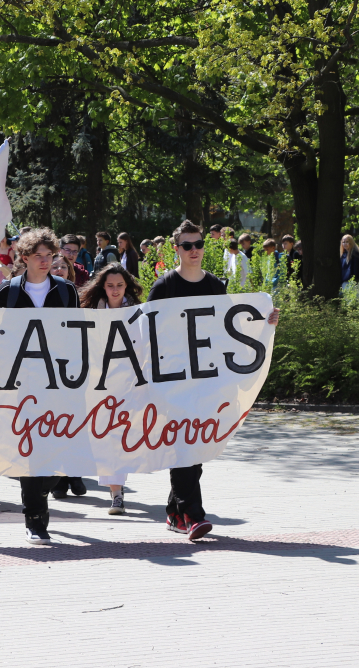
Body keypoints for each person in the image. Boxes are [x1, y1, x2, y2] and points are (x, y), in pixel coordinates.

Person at [148, 220, 279, 542]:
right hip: (173, 383)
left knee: (196, 448)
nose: (194, 250)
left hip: (207, 381)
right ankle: (193, 516)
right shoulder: (164, 287)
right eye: (187, 245)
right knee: (184, 447)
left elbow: (229, 330)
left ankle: (174, 512)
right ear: (176, 249)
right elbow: (145, 333)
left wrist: (264, 323)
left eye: (199, 244)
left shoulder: (215, 286)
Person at [0, 228, 82, 543]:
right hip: (22, 384)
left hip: (60, 383)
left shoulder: (66, 291)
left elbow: (78, 332)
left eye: (49, 255)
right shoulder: (8, 292)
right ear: (24, 258)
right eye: (38, 256)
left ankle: (40, 490)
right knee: (31, 450)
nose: (45, 261)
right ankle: (35, 519)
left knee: (60, 450)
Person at [79, 262, 145, 514]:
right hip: (100, 384)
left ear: (127, 286)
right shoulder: (90, 312)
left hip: (130, 382)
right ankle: (116, 493)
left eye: (119, 285)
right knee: (106, 436)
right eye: (110, 285)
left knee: (126, 434)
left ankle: (119, 489)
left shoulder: (138, 313)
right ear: (103, 287)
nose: (115, 290)